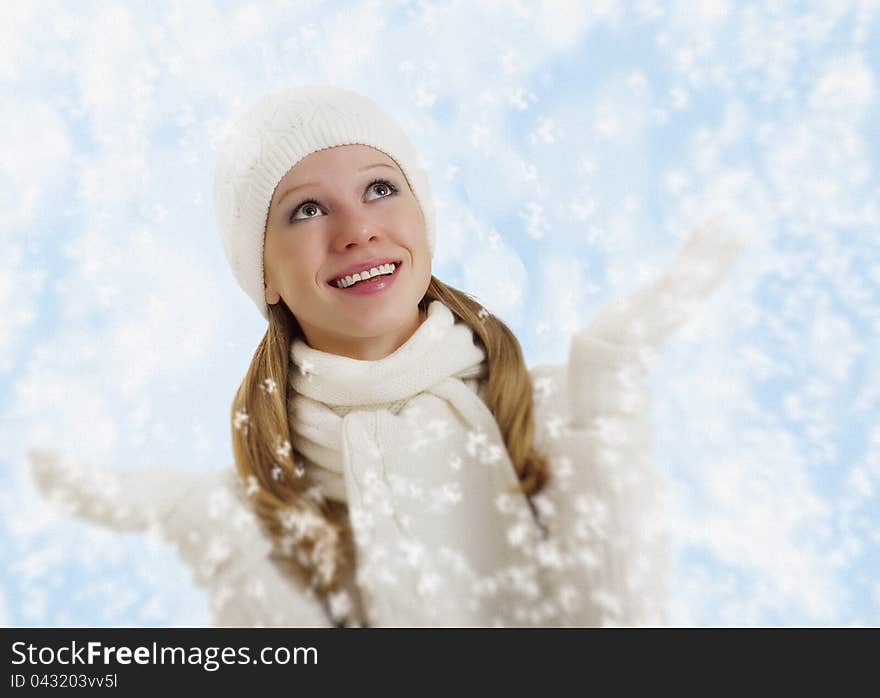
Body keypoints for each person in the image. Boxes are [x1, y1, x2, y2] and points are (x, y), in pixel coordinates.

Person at [27, 84, 748, 628]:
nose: (357, 229)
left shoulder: (551, 413)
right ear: (264, 274)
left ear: (424, 221)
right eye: (306, 209)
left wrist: (610, 397)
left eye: (380, 188)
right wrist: (215, 530)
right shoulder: (265, 502)